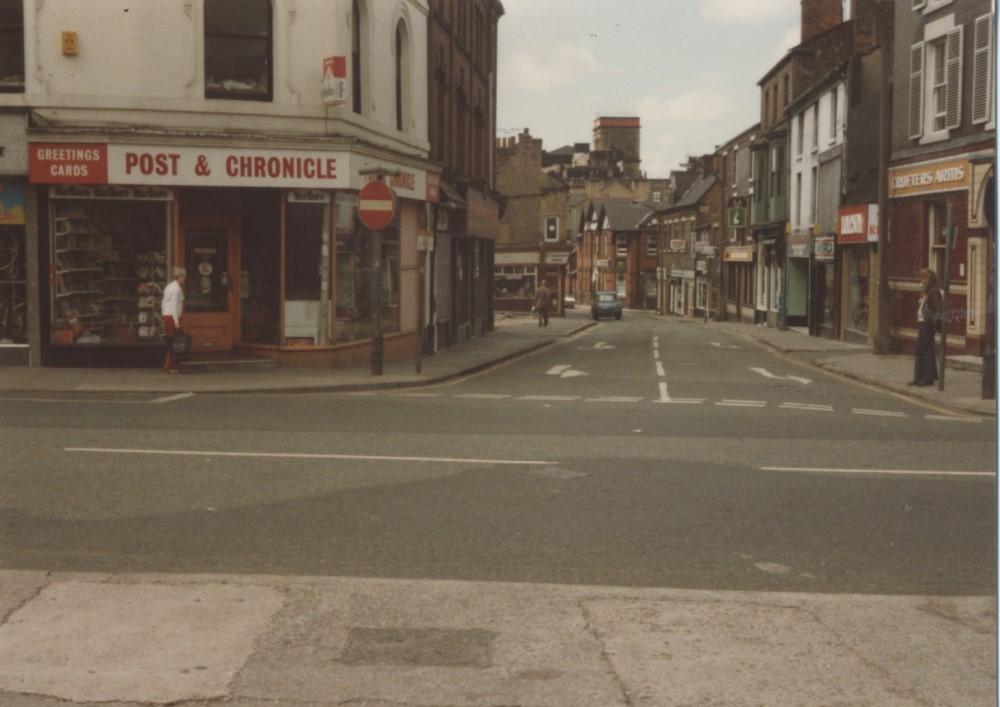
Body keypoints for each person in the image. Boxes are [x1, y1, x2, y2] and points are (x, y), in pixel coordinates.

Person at [910, 268, 942, 387]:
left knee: (923, 352)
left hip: (927, 325)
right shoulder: (926, 292)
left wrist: (933, 325)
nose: (922, 281)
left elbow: (937, 310)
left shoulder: (934, 292)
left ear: (930, 279)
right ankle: (920, 378)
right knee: (923, 351)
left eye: (925, 278)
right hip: (923, 324)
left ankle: (925, 378)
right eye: (921, 278)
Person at [161, 267, 186, 373]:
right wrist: (176, 321)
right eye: (184, 277)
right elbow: (174, 306)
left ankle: (169, 365)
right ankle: (171, 366)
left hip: (167, 315)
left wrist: (163, 315)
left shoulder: (169, 286)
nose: (184, 279)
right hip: (172, 317)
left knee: (171, 341)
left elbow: (163, 303)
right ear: (180, 277)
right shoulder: (176, 288)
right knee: (174, 342)